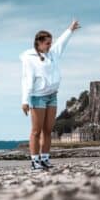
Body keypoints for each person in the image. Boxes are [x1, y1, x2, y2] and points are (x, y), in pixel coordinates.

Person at [19, 19, 81, 170]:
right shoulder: (30, 59)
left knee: (48, 130)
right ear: (38, 43)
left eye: (50, 43)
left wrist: (70, 30)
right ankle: (34, 161)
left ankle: (45, 158)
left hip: (52, 95)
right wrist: (25, 101)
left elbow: (61, 43)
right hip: (37, 97)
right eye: (47, 43)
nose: (50, 45)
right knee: (36, 130)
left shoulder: (52, 54)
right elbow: (27, 80)